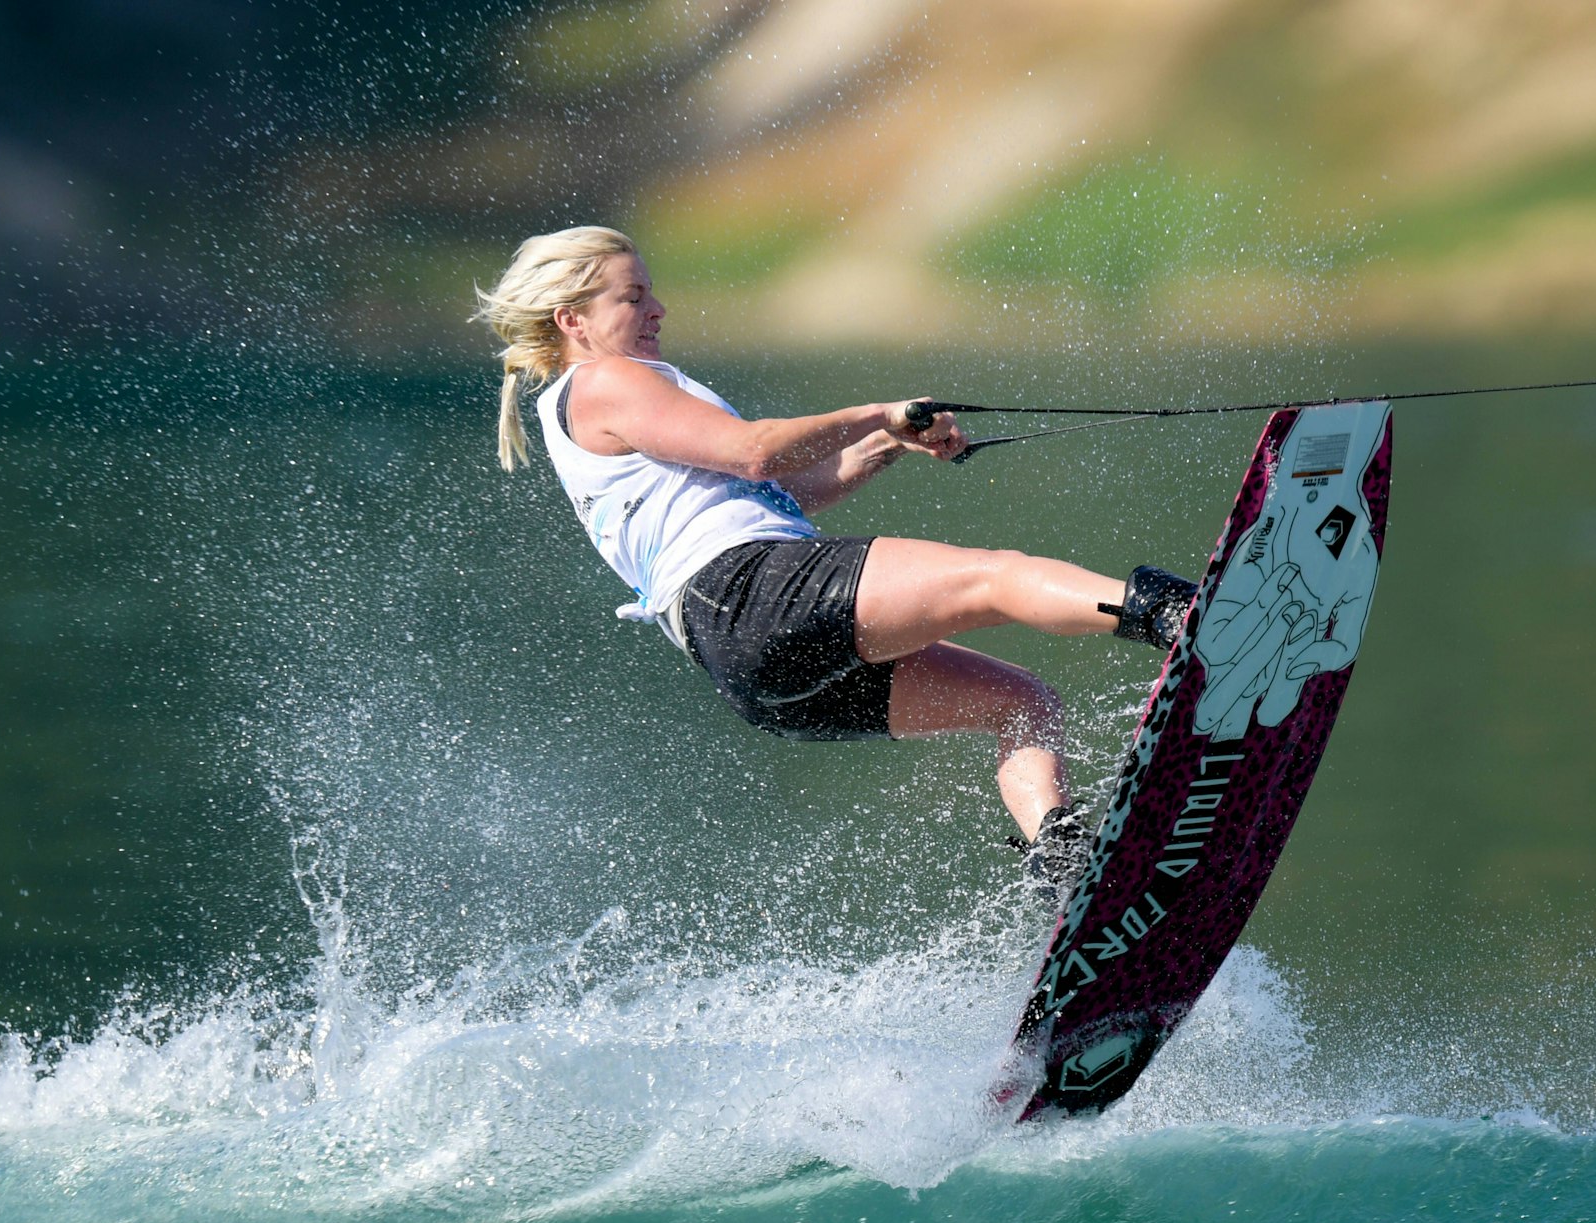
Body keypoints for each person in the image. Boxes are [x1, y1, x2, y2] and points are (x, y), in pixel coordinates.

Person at [473, 226, 1195, 888]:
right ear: (572, 320)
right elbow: (755, 453)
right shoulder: (607, 379)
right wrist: (877, 412)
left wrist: (887, 441)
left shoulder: (587, 406)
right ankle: (1177, 614)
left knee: (1022, 703)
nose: (656, 309)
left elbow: (782, 491)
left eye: (650, 292)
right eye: (632, 297)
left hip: (746, 665)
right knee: (994, 577)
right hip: (750, 592)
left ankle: (1063, 864)